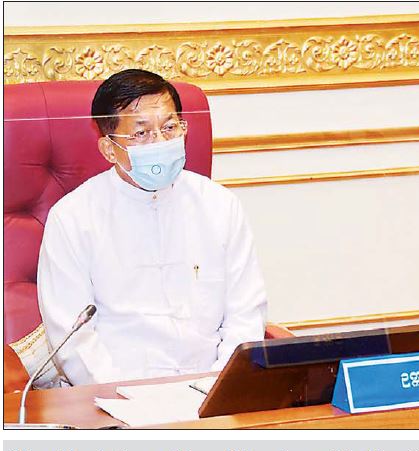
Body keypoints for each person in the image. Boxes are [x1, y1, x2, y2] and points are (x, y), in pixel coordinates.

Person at [37, 69, 268, 386]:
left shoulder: (220, 205)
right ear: (109, 149)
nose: (160, 141)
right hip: (112, 397)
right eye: (142, 133)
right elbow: (74, 341)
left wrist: (217, 388)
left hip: (209, 391)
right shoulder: (73, 218)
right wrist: (125, 400)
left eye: (170, 127)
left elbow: (246, 315)